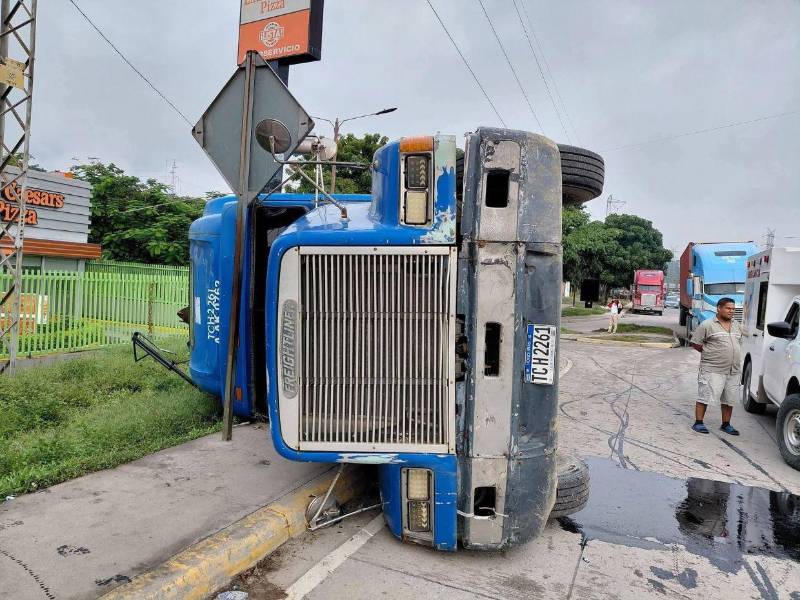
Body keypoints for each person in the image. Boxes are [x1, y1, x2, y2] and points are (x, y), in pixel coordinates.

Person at [689, 297, 742, 435]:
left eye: (733, 309)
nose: (731, 311)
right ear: (719, 308)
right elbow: (695, 343)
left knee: (729, 399)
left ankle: (726, 424)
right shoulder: (707, 324)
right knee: (704, 396)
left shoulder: (736, 325)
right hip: (712, 368)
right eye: (728, 308)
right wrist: (709, 353)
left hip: (733, 370)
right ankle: (698, 422)